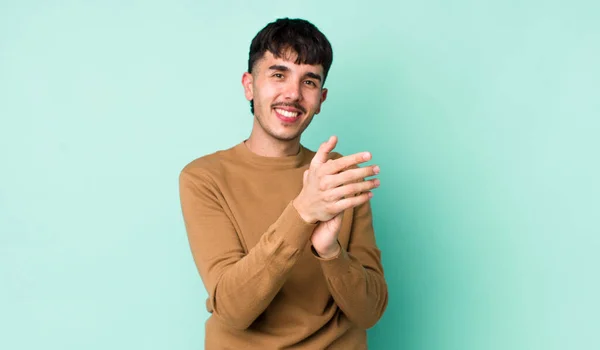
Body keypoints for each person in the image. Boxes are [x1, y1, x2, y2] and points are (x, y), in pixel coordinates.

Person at [178, 17, 388, 349]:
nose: (292, 94)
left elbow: (369, 313)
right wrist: (302, 213)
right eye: (278, 74)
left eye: (309, 81)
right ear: (249, 85)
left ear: (321, 98)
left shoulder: (339, 176)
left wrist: (330, 252)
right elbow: (233, 310)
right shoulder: (204, 177)